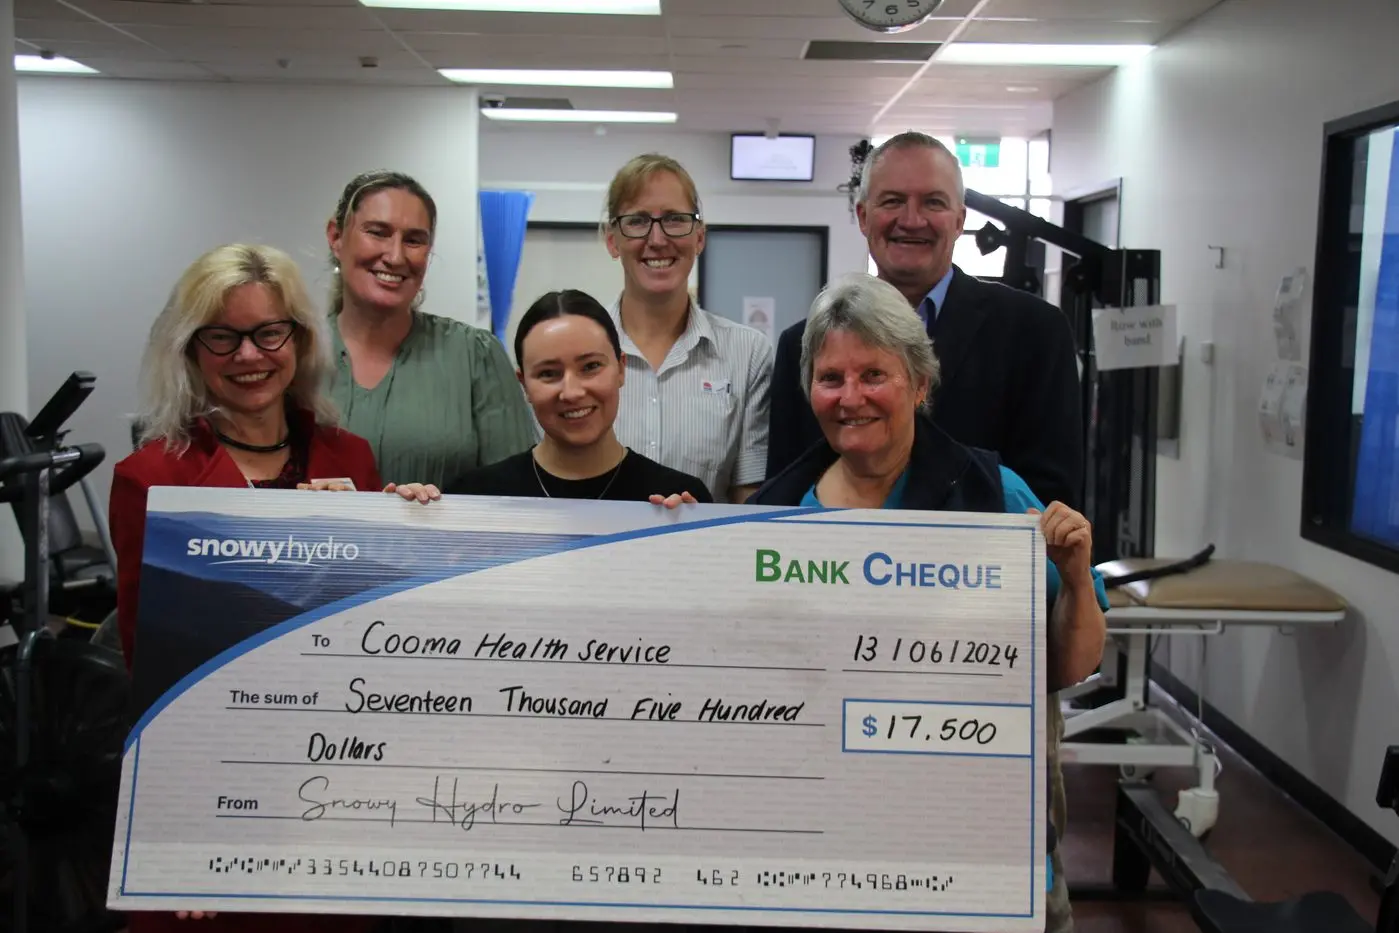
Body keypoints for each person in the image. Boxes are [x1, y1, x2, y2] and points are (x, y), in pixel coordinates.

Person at [749, 272, 1108, 933]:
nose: (850, 397)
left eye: (873, 375)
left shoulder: (994, 494)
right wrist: (673, 543)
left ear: (919, 382)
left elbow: (1072, 664)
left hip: (973, 838)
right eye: (830, 378)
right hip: (825, 846)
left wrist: (1076, 579)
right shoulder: (771, 513)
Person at [108, 243, 426, 933]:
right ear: (191, 350)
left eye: (268, 332)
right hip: (220, 784)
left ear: (300, 340)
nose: (249, 355)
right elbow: (150, 667)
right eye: (222, 336)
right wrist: (182, 824)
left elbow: (378, 636)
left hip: (338, 787)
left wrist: (407, 528)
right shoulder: (151, 478)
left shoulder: (352, 458)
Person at [765, 132, 1083, 510]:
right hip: (834, 546)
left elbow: (1052, 503)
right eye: (893, 201)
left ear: (959, 220)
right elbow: (784, 494)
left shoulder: (1035, 333)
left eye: (933, 202)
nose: (912, 220)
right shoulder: (801, 346)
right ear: (863, 216)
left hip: (981, 547)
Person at [325, 169, 536, 489]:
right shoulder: (292, 354)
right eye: (378, 232)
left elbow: (517, 494)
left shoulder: (474, 357)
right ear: (336, 237)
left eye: (414, 240)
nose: (395, 256)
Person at [601, 153, 772, 503]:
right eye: (637, 221)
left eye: (675, 220)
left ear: (700, 237)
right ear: (612, 240)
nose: (657, 239)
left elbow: (748, 499)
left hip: (709, 541)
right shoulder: (578, 354)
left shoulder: (748, 355)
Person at [447, 289, 712, 505]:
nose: (572, 392)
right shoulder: (474, 497)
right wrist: (424, 514)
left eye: (590, 367)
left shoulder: (678, 499)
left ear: (620, 369)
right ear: (524, 384)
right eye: (548, 373)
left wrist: (691, 537)